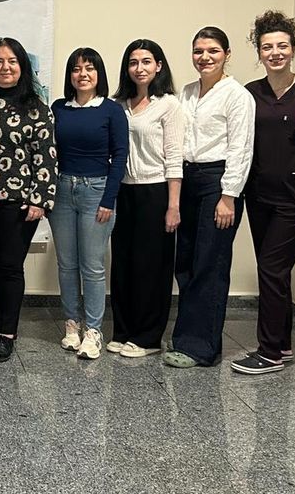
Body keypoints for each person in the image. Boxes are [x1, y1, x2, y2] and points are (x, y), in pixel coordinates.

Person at [164, 26, 254, 369]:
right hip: (188, 178)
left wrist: (229, 196)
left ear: (227, 55)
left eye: (213, 51)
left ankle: (201, 347)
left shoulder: (237, 95)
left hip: (218, 182)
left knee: (210, 263)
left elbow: (241, 148)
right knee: (185, 261)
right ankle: (185, 336)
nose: (205, 57)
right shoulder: (187, 92)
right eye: (199, 51)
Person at [232, 11, 295, 375]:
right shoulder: (251, 93)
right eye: (267, 47)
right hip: (258, 194)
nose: (275, 53)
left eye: (282, 46)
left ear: (293, 49)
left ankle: (269, 352)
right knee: (275, 271)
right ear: (259, 52)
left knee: (271, 267)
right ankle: (283, 342)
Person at [0, 38, 57, 364]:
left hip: (18, 203)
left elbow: (46, 156)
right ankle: (2, 324)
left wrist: (40, 199)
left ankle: (7, 333)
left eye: (12, 61)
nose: (6, 67)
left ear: (23, 66)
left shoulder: (35, 106)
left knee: (9, 265)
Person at [49, 47, 127, 360]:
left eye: (89, 68)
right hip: (62, 190)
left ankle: (94, 331)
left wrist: (109, 198)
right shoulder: (59, 108)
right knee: (66, 264)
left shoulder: (111, 110)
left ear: (99, 74)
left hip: (97, 191)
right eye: (76, 68)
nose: (83, 74)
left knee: (92, 266)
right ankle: (72, 325)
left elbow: (120, 156)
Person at [110, 39, 184, 359]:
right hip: (124, 191)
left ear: (158, 66)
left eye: (146, 61)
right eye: (133, 62)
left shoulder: (169, 105)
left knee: (151, 267)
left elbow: (175, 157)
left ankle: (148, 337)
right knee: (123, 264)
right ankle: (123, 331)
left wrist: (173, 205)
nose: (139, 68)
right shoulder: (118, 104)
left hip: (156, 191)